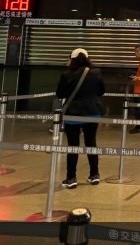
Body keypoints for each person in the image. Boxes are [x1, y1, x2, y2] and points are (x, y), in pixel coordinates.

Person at [56, 48, 105, 189]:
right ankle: (94, 175)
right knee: (91, 143)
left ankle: (71, 178)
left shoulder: (66, 74)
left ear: (72, 59)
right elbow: (102, 91)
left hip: (73, 113)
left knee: (73, 146)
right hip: (92, 112)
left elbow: (60, 94)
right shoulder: (96, 73)